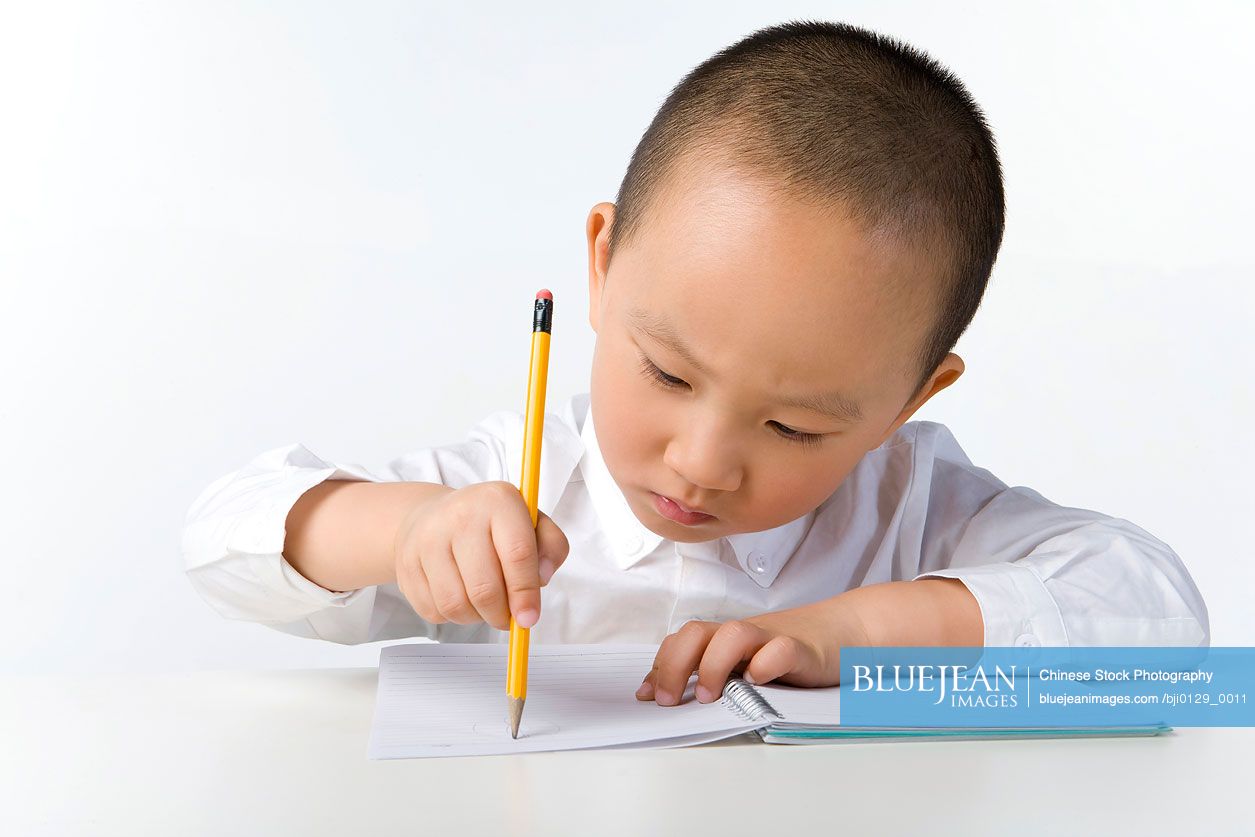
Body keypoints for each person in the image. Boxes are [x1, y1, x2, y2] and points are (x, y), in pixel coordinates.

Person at [182, 20, 1208, 709]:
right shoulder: (516, 483)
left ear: (910, 399)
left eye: (796, 427)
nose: (703, 461)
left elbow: (1163, 627)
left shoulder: (919, 510)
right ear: (601, 263)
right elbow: (222, 535)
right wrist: (402, 531)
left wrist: (859, 630)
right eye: (668, 374)